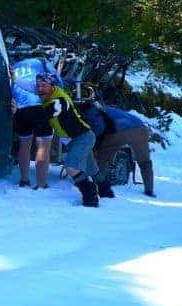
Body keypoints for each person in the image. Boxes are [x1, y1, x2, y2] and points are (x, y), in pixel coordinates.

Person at [36, 72, 100, 207]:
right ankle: (105, 190)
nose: (40, 89)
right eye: (38, 86)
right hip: (76, 139)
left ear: (52, 86)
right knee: (91, 169)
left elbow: (47, 113)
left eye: (44, 86)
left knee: (72, 167)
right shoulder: (48, 98)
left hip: (82, 138)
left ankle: (90, 198)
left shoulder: (60, 100)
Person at [81, 102, 156, 198]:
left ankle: (100, 185)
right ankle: (149, 189)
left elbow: (98, 130)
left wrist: (93, 144)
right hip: (141, 128)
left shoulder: (92, 114)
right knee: (145, 161)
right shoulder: (105, 108)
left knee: (101, 158)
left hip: (120, 132)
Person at [11, 58, 63, 189]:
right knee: (43, 147)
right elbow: (58, 82)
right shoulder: (44, 62)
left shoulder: (15, 65)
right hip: (40, 108)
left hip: (20, 109)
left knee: (24, 145)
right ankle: (41, 184)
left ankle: (24, 180)